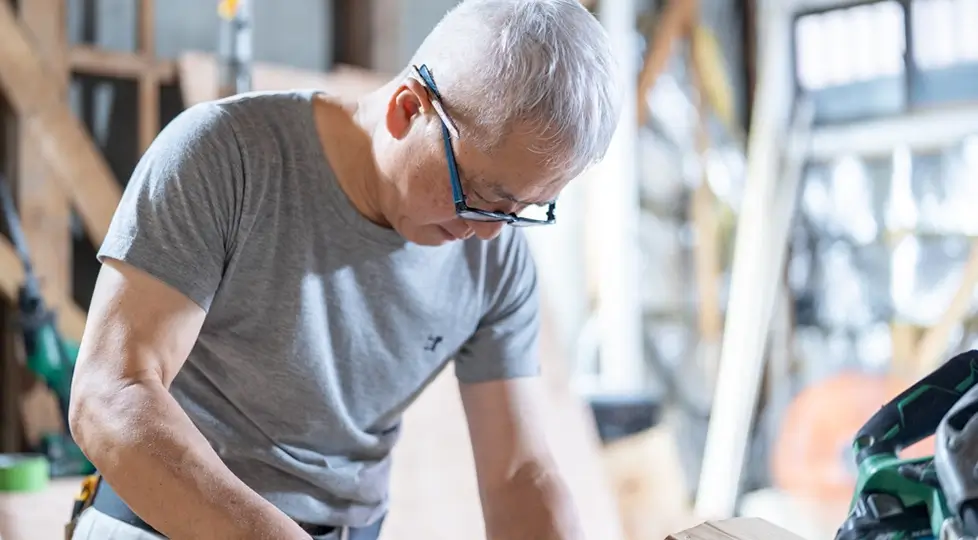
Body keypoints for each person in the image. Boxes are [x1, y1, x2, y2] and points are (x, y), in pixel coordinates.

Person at [66, 0, 621, 538]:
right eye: (479, 196)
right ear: (410, 108)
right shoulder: (227, 156)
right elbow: (111, 396)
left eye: (519, 211)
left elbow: (516, 473)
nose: (488, 231)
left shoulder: (494, 256)